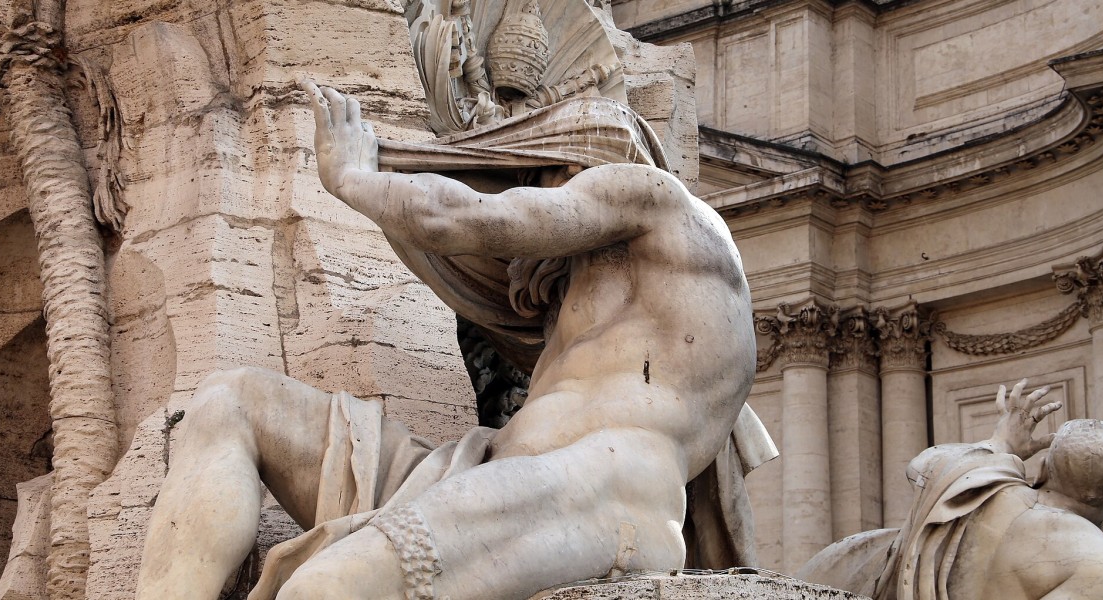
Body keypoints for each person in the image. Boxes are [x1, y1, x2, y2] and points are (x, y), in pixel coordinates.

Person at [136, 80, 771, 600]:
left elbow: (467, 218)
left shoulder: (658, 202)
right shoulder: (590, 306)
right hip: (478, 470)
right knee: (230, 400)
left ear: (582, 165)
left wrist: (354, 178)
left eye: (538, 180)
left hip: (602, 493)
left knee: (325, 589)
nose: (533, 200)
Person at [798, 380, 1103, 600]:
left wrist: (1002, 443)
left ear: (1042, 470)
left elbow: (925, 465)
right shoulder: (1100, 561)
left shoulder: (976, 487)